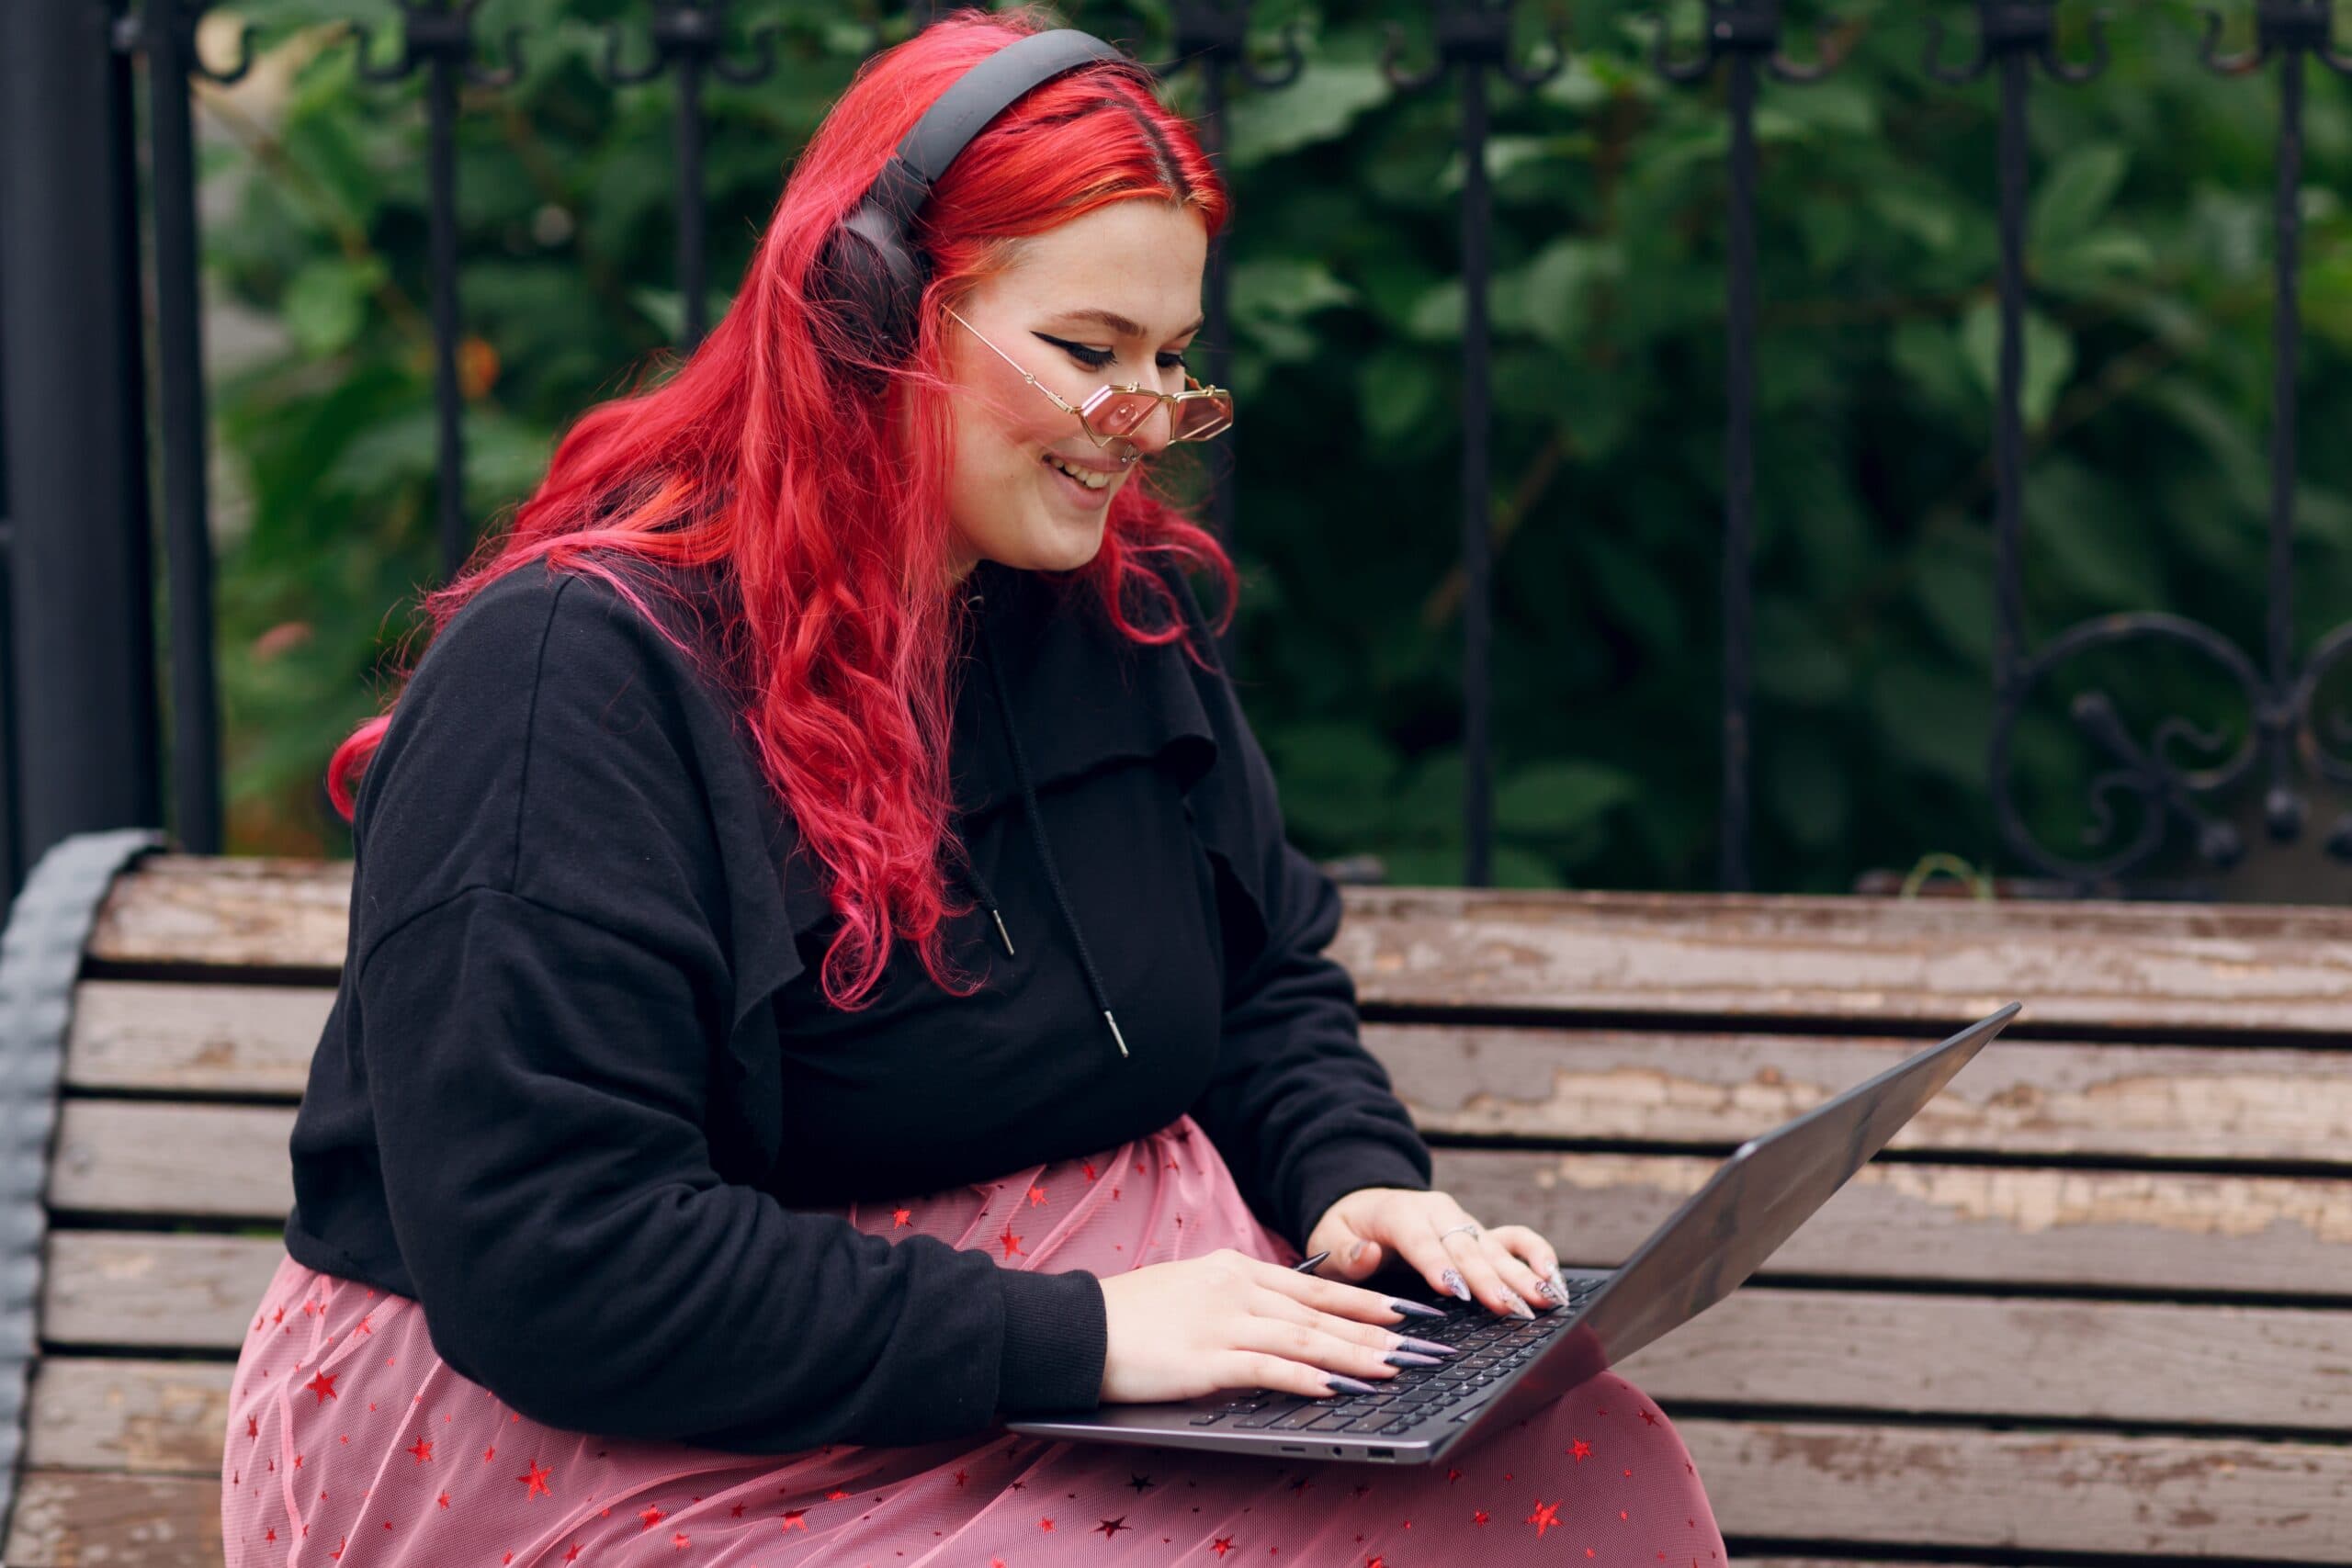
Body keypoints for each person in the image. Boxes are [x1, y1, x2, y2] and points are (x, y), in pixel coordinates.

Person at [220, 9, 1730, 1562]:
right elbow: (555, 1259)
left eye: (1171, 361)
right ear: (876, 311)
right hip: (637, 1441)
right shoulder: (575, 683)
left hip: (1066, 1373)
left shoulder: (1116, 607)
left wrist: (1347, 1182)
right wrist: (1081, 1339)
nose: (1140, 420)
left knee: (1562, 1457)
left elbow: (1264, 977)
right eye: (1088, 353)